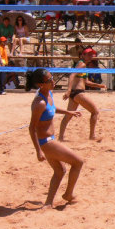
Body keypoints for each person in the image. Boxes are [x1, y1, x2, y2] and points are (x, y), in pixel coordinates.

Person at [26, 68, 83, 207]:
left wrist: (68, 111)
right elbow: (32, 127)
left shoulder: (48, 94)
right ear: (40, 85)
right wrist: (38, 150)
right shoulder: (39, 103)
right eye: (49, 80)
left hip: (50, 139)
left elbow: (52, 109)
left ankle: (48, 203)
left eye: (53, 78)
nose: (53, 82)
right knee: (78, 162)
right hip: (45, 142)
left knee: (60, 171)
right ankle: (68, 194)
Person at [59, 48, 107, 141]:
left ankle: (60, 137)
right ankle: (92, 136)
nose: (91, 56)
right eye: (88, 54)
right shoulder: (82, 64)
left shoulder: (83, 65)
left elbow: (86, 82)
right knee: (95, 112)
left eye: (91, 54)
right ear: (82, 55)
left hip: (75, 93)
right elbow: (72, 75)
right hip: (78, 92)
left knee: (68, 115)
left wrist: (99, 85)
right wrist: (68, 90)